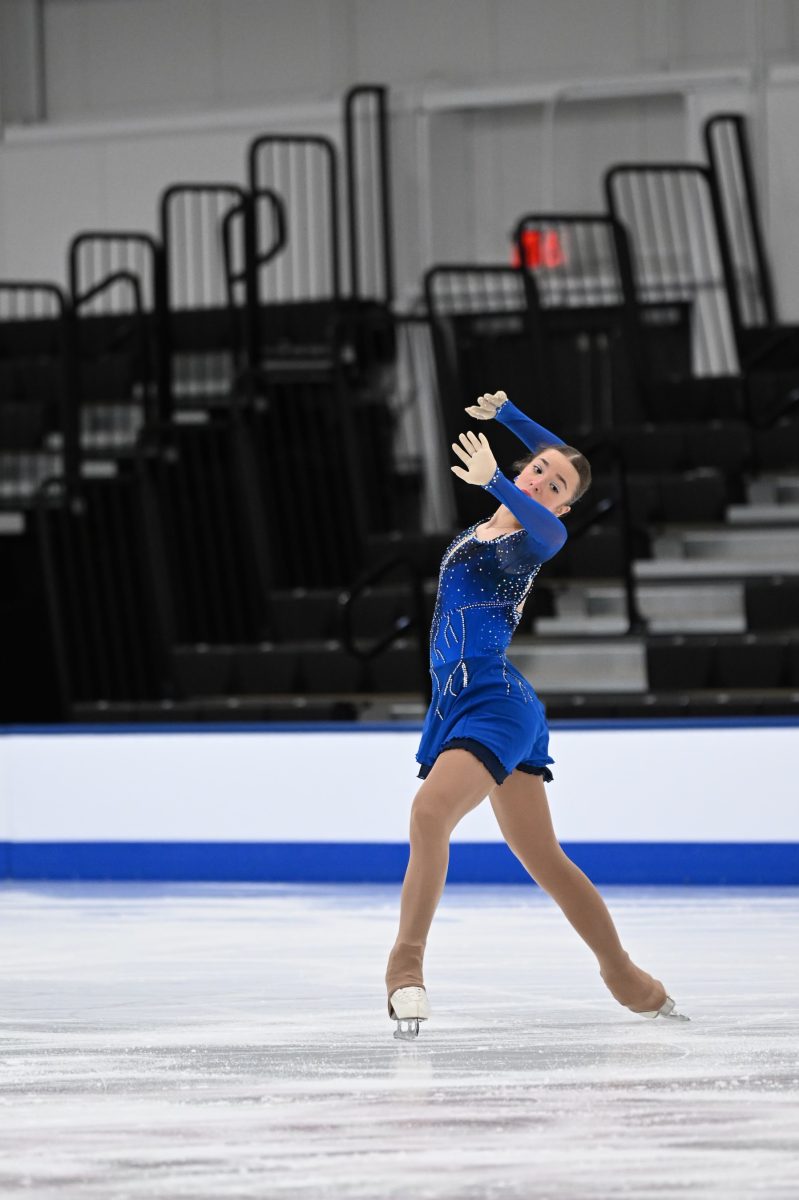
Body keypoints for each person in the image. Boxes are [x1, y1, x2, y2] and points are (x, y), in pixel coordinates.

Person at [385, 390, 688, 1040]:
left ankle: (404, 967)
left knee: (429, 812)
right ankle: (627, 977)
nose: (542, 480)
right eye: (536, 470)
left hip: (492, 703)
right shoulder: (484, 529)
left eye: (555, 485)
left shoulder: (529, 538)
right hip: (476, 699)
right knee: (542, 855)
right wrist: (510, 417)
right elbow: (554, 454)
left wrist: (496, 476)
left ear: (560, 504)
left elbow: (549, 524)